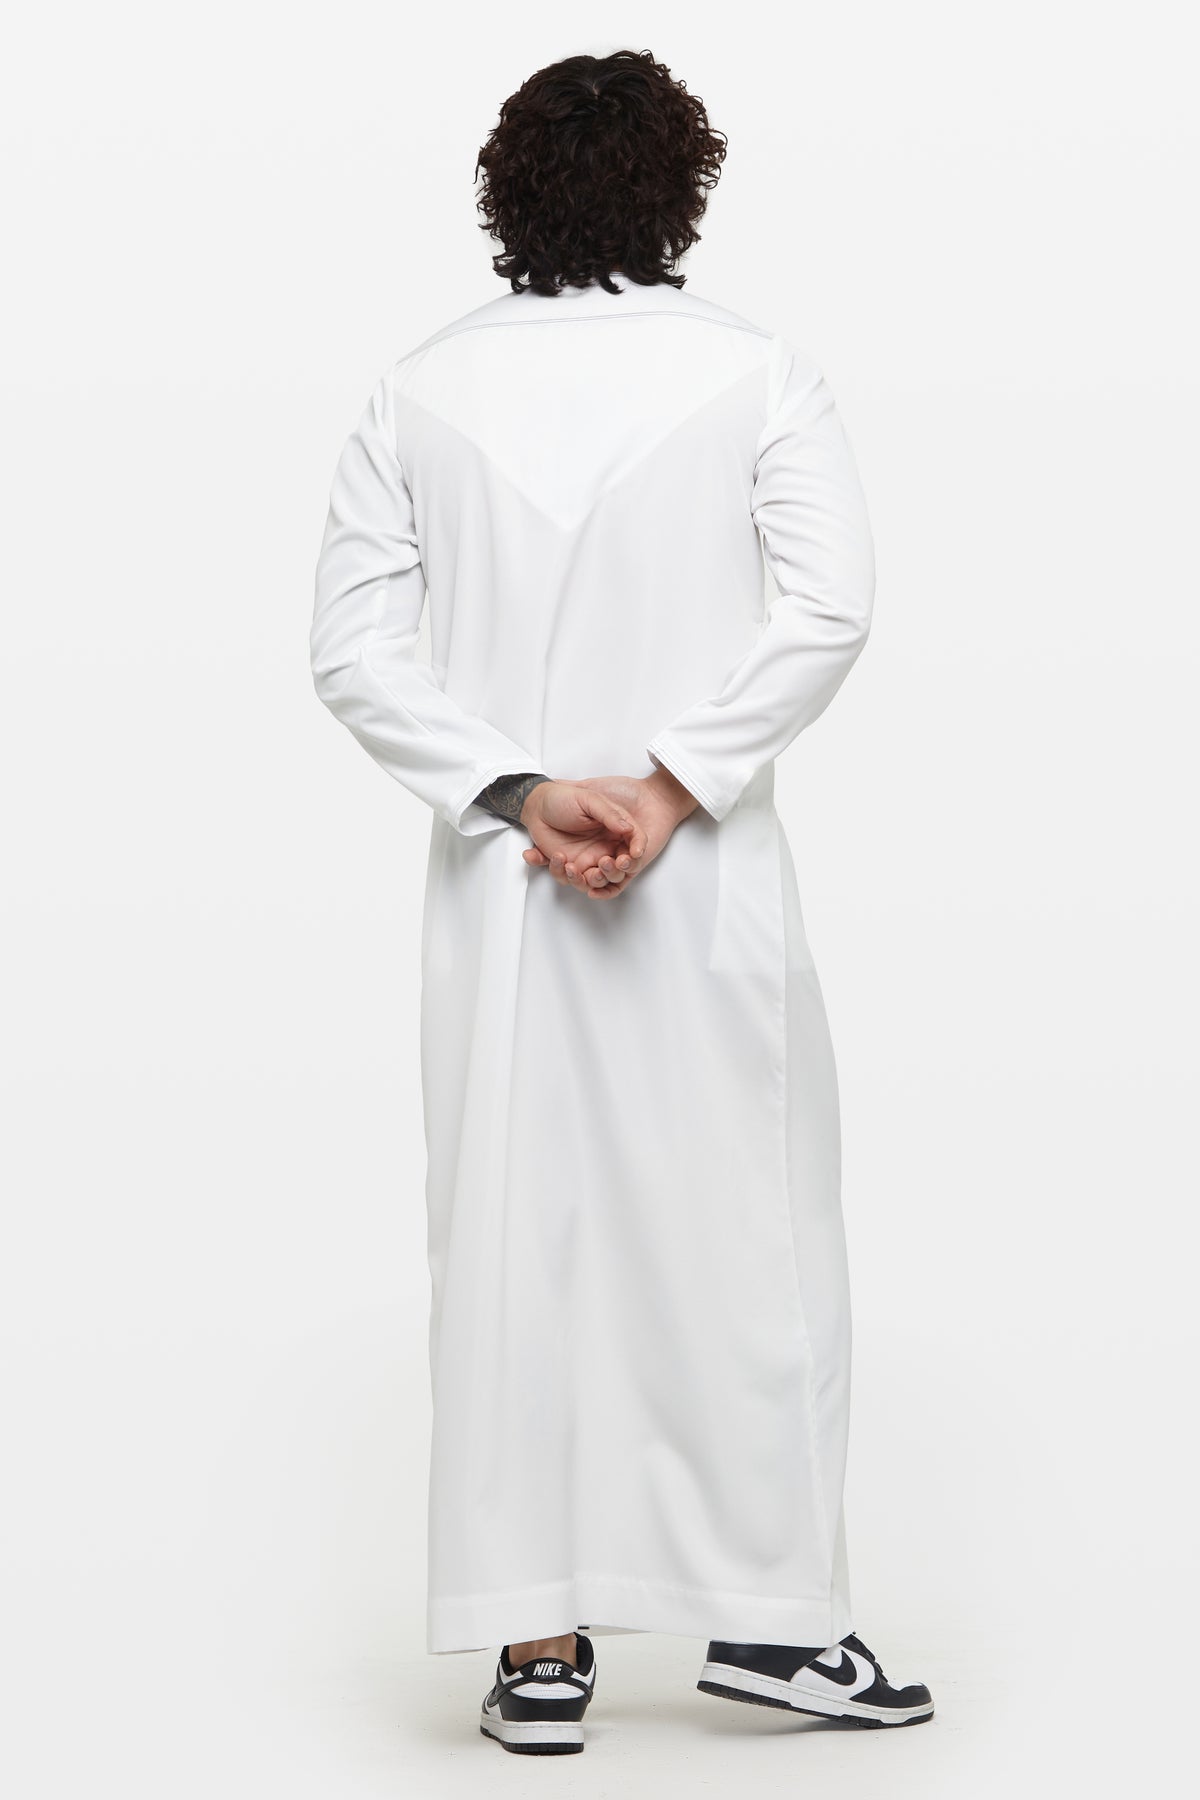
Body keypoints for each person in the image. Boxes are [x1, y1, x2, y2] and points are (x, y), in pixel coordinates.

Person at [310, 47, 933, 1756]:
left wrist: (523, 791)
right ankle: (777, 1626)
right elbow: (828, 608)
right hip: (705, 886)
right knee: (758, 1242)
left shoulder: (418, 392)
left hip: (504, 897)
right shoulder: (757, 373)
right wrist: (670, 785)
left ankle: (538, 1650)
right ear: (683, 190)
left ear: (506, 194)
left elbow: (351, 651)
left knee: (514, 1246)